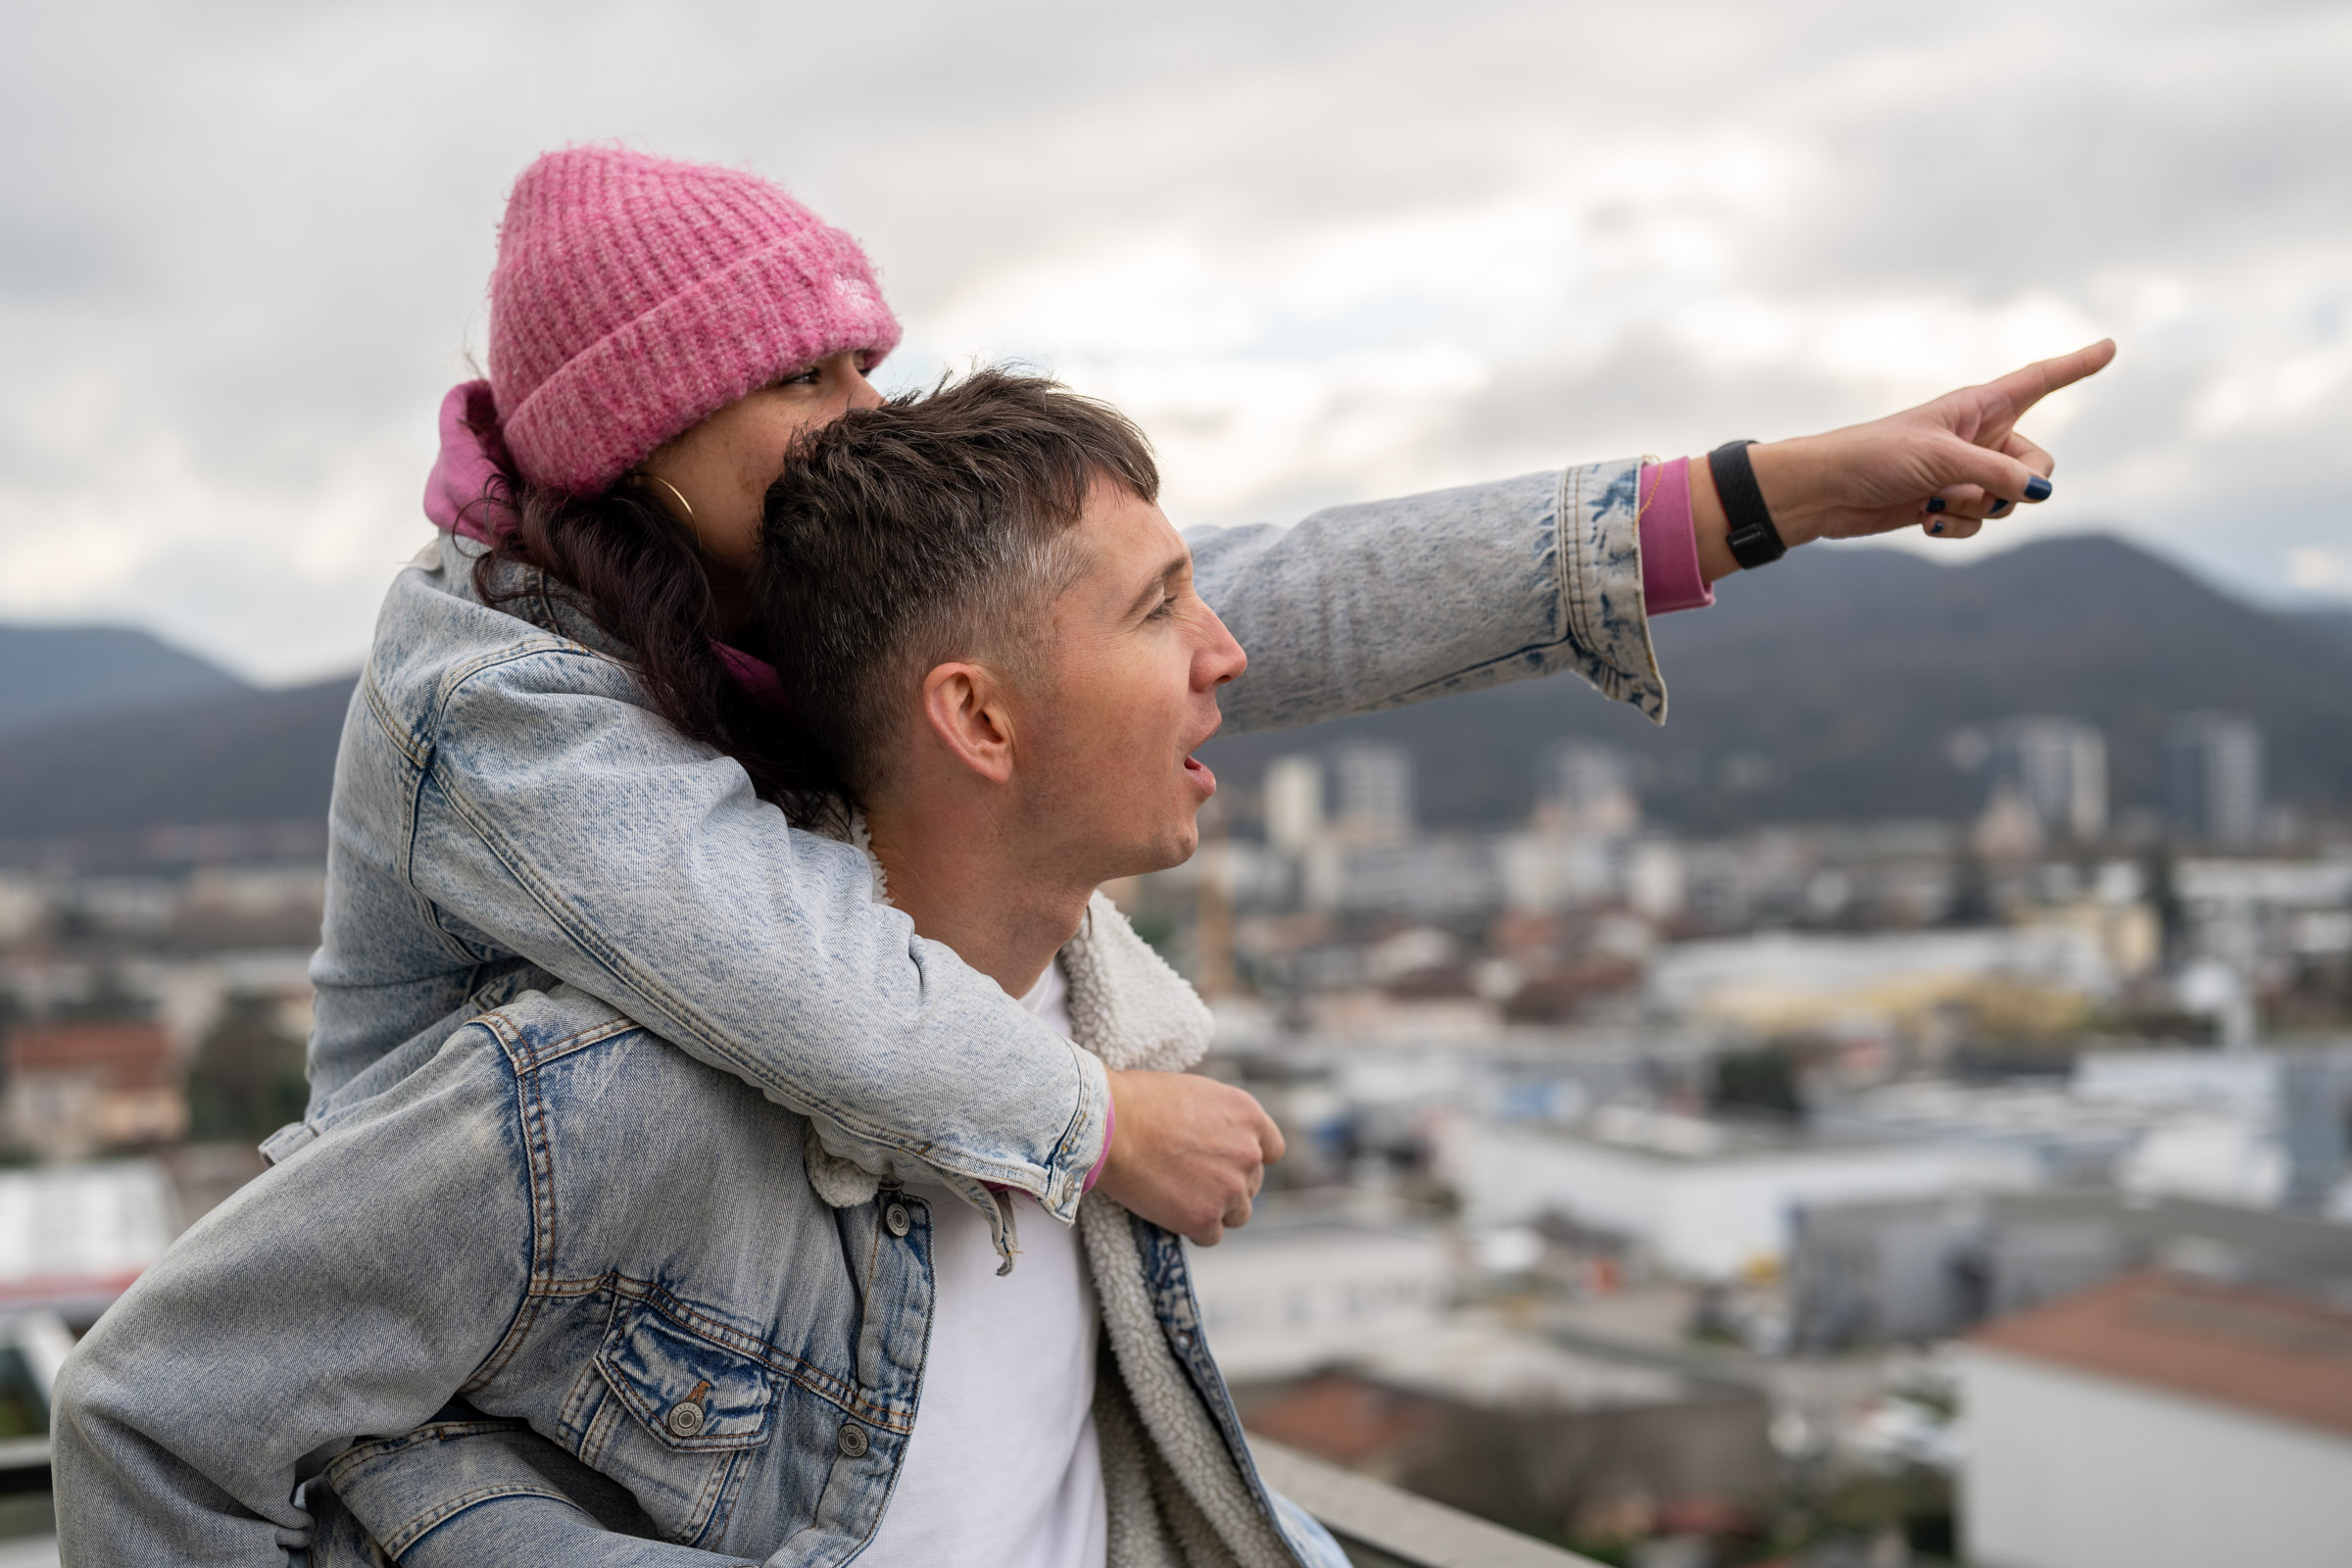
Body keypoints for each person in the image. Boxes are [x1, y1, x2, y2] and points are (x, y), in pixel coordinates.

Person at [296, 140, 2111, 1272]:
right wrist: (1102, 1118)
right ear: (640, 439)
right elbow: (778, 964)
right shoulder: (506, 688)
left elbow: (1243, 601)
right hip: (465, 1373)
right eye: (798, 375)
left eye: (867, 356)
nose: (861, 408)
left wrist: (1766, 488)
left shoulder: (770, 600)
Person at [54, 371, 1354, 1568]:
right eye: (1158, 606)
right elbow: (149, 1419)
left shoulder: (1131, 1047)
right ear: (977, 717)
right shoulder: (604, 1100)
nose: (1227, 649)